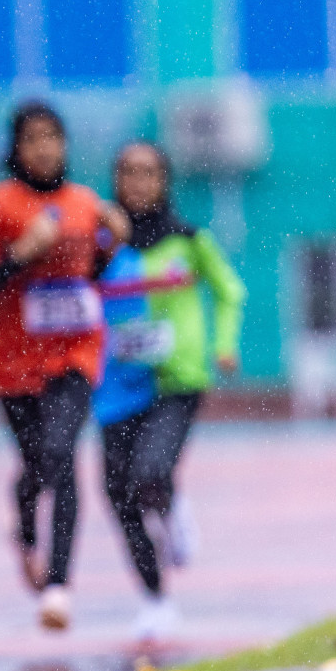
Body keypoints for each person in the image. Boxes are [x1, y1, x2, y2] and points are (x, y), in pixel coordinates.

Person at [0, 101, 129, 632]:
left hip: (76, 354)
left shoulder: (85, 203)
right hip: (13, 363)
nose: (44, 148)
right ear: (15, 147)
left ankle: (58, 585)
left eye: (53, 137)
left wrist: (112, 244)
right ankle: (26, 526)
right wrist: (20, 255)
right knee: (37, 465)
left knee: (62, 454)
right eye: (32, 138)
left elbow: (92, 276)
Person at [95, 141, 245, 641]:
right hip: (116, 387)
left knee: (150, 472)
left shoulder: (188, 240)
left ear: (165, 180)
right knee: (118, 494)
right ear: (115, 181)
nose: (139, 182)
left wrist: (223, 345)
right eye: (128, 173)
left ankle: (173, 502)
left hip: (176, 382)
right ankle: (154, 597)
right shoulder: (100, 246)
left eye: (150, 172)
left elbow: (230, 291)